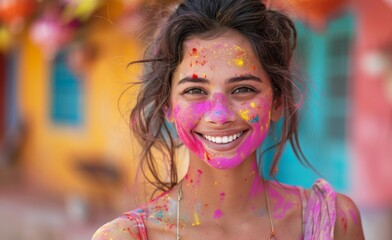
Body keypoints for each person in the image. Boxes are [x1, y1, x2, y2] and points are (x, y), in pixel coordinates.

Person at [92, 0, 365, 239]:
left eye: (243, 89)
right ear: (168, 107)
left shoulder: (333, 223)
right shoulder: (125, 237)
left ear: (278, 102)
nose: (219, 115)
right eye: (195, 90)